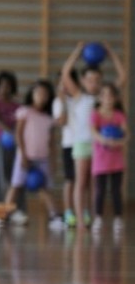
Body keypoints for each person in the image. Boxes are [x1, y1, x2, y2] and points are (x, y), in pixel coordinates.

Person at [60, 41, 126, 231]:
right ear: (82, 81)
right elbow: (65, 73)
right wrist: (77, 51)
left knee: (93, 184)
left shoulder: (103, 97)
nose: (94, 84)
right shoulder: (78, 95)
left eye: (97, 80)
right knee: (80, 182)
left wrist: (111, 52)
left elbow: (122, 76)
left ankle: (89, 214)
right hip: (81, 143)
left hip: (99, 146)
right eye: (90, 80)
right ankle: (80, 219)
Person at [3, 80, 61, 228]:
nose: (41, 96)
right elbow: (19, 134)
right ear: (32, 94)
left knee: (46, 187)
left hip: (42, 158)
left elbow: (51, 142)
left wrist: (53, 161)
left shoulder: (48, 118)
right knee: (16, 185)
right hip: (25, 157)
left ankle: (54, 216)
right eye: (38, 93)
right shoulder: (25, 112)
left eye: (45, 94)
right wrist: (23, 155)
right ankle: (4, 215)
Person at [91, 83, 127, 233]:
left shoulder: (119, 115)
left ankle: (118, 218)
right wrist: (104, 140)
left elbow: (126, 135)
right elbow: (93, 132)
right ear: (100, 98)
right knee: (100, 190)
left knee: (116, 190)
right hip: (100, 159)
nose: (108, 98)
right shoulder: (95, 114)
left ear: (115, 98)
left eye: (111, 95)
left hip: (116, 160)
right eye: (104, 95)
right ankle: (98, 218)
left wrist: (116, 142)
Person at [0, 71, 24, 220]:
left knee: (16, 176)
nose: (5, 88)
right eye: (2, 85)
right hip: (0, 142)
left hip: (16, 143)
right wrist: (9, 132)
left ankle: (16, 209)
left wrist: (16, 135)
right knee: (0, 176)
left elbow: (21, 123)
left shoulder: (17, 105)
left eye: (8, 86)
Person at [52, 72, 79, 227]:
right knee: (70, 179)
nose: (64, 86)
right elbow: (62, 121)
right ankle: (69, 212)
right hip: (69, 144)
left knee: (83, 181)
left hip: (84, 143)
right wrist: (63, 101)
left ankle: (83, 211)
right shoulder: (58, 102)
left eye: (67, 82)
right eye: (61, 83)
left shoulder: (81, 98)